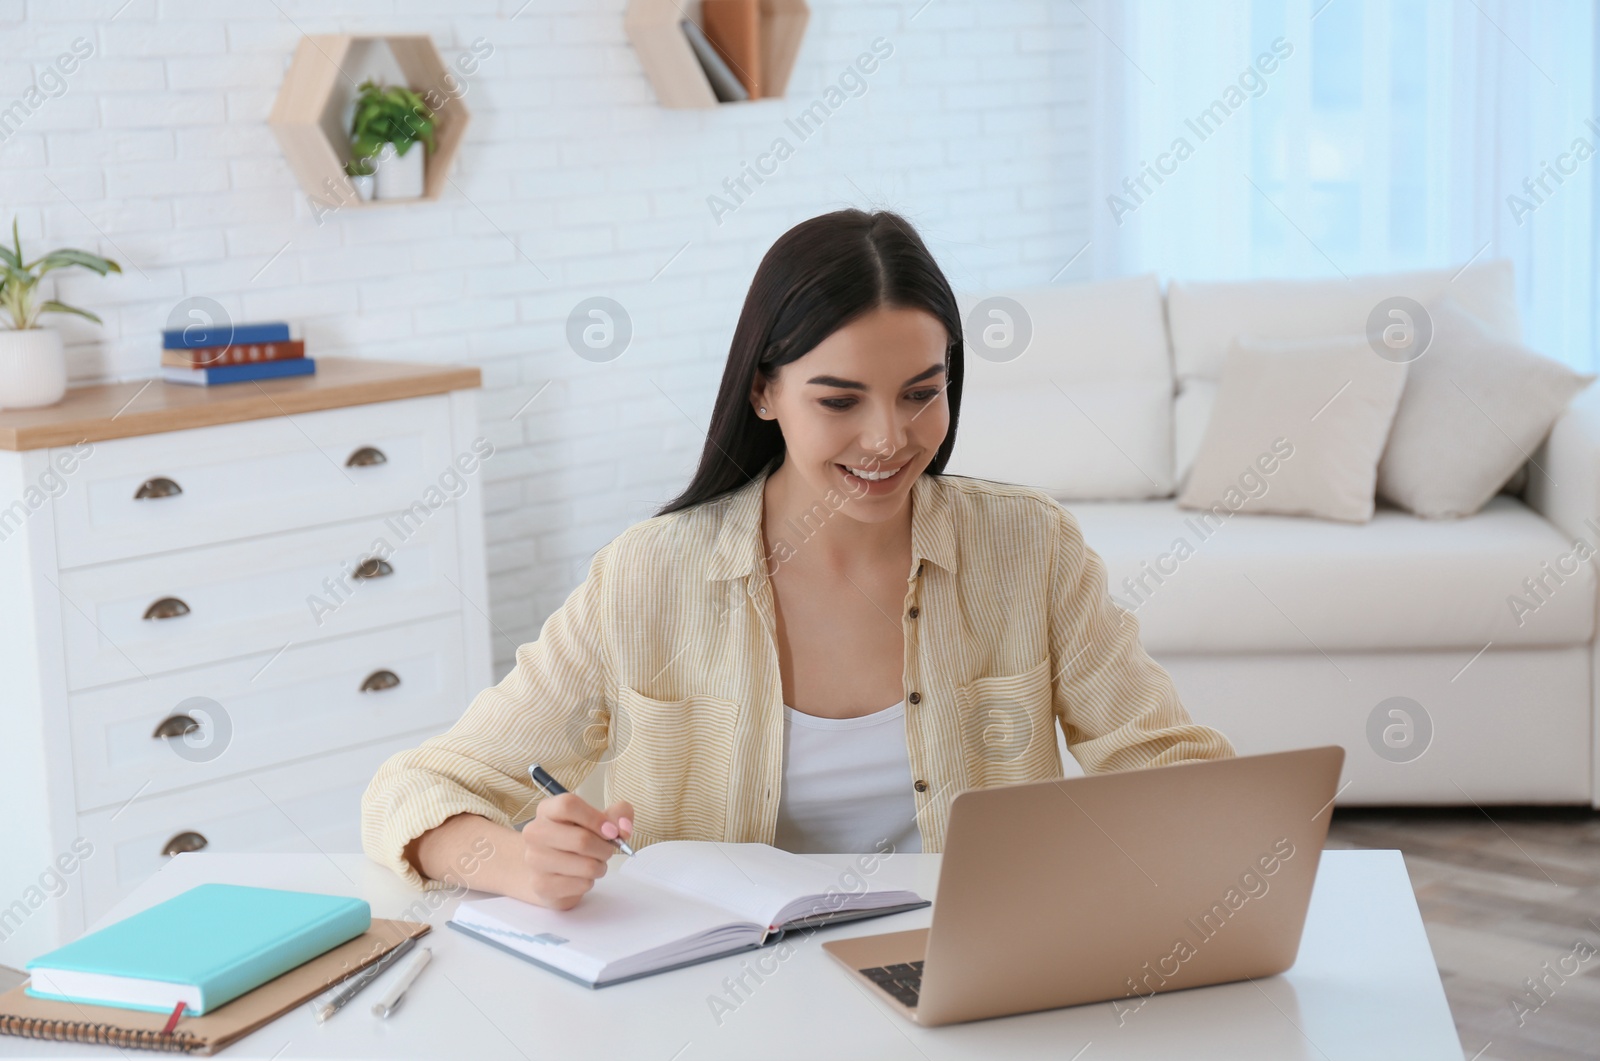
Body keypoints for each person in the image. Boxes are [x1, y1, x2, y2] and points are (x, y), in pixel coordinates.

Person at [360, 208, 1234, 911]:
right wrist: (516, 861)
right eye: (840, 399)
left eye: (922, 393)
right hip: (718, 996)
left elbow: (1165, 762)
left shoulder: (1029, 548)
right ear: (765, 390)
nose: (889, 438)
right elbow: (414, 788)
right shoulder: (649, 578)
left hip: (973, 980)